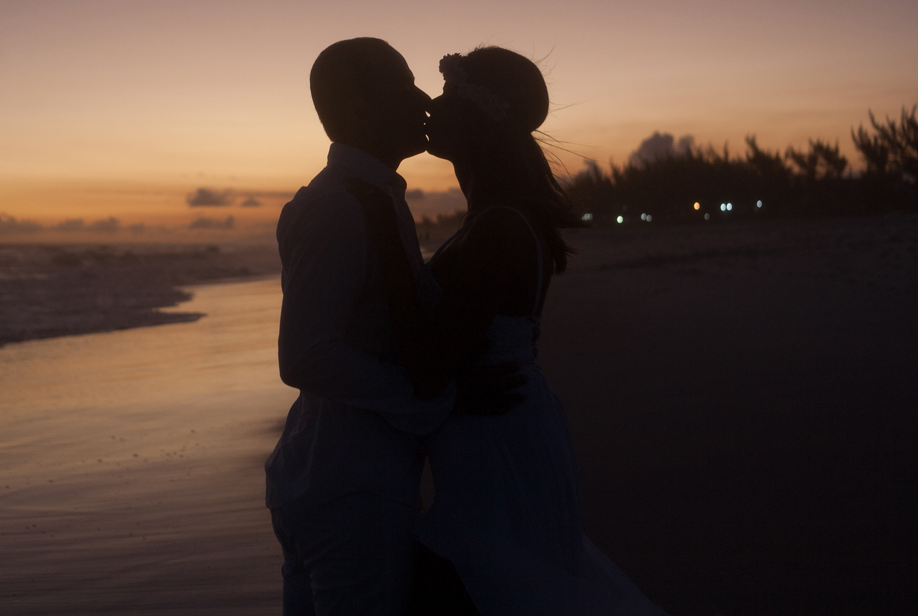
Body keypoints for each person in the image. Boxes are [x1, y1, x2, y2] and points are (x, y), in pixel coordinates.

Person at [400, 47, 669, 615]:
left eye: (448, 94)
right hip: (501, 431)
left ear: (479, 118)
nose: (430, 104)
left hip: (495, 440)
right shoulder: (493, 219)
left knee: (484, 582)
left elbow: (428, 365)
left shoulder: (498, 227)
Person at [266, 38, 525, 616]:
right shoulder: (340, 207)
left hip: (332, 473)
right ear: (360, 109)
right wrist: (435, 400)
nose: (423, 100)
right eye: (405, 84)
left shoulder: (370, 198)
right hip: (348, 485)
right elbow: (305, 354)